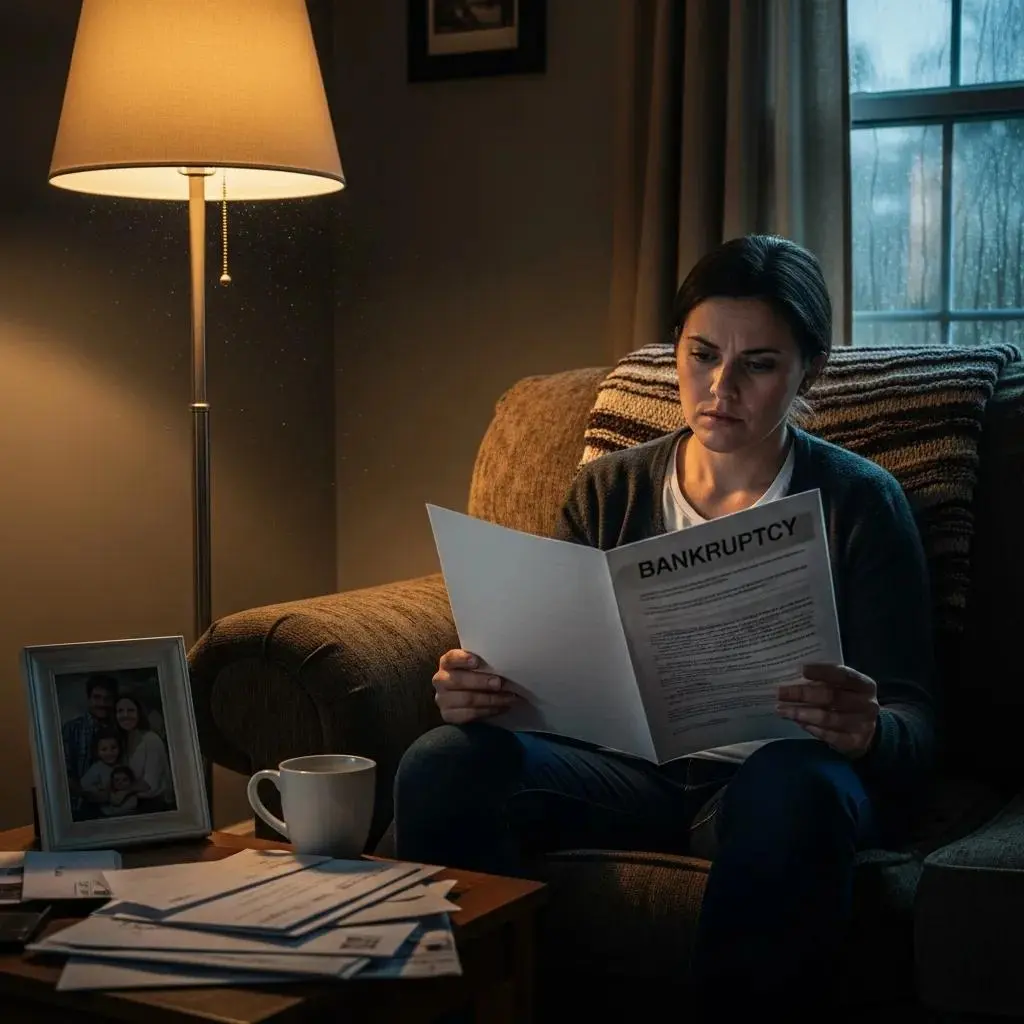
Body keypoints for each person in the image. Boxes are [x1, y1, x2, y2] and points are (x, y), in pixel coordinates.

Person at [393, 234, 935, 1017]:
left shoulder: (860, 503)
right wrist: (484, 689)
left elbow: (919, 722)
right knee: (442, 760)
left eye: (759, 364)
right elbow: (550, 661)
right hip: (629, 775)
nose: (721, 387)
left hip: (773, 780)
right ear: (674, 351)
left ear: (807, 371)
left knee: (793, 786)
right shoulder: (607, 493)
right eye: (702, 354)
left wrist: (869, 729)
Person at [61, 674, 119, 817]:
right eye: (97, 697)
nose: (102, 703)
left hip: (115, 809)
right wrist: (86, 794)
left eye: (107, 699)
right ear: (88, 699)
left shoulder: (119, 728)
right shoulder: (71, 729)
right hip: (79, 809)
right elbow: (61, 771)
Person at [115, 694, 174, 813]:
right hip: (130, 804)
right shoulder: (120, 742)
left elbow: (150, 783)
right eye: (120, 711)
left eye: (130, 710)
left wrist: (123, 792)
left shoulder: (151, 740)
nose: (125, 715)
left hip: (156, 806)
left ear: (139, 714)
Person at [77, 727, 124, 819]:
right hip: (97, 810)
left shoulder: (121, 766)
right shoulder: (96, 768)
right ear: (97, 751)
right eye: (104, 749)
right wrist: (98, 789)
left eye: (113, 748)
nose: (109, 753)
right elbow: (84, 785)